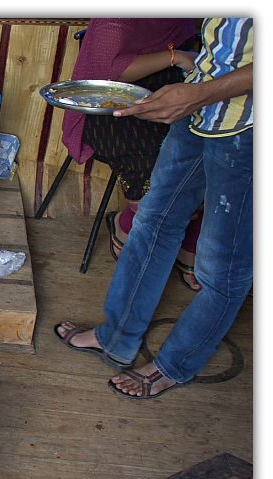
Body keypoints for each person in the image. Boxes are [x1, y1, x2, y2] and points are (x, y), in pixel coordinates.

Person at [55, 18, 252, 400]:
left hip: (247, 128)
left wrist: (199, 91)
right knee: (151, 223)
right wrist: (194, 87)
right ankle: (117, 338)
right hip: (198, 111)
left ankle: (175, 366)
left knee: (222, 269)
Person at [61, 18, 204, 290]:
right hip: (112, 102)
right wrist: (177, 56)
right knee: (156, 172)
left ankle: (189, 243)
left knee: (208, 154)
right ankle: (125, 223)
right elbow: (109, 71)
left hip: (170, 89)